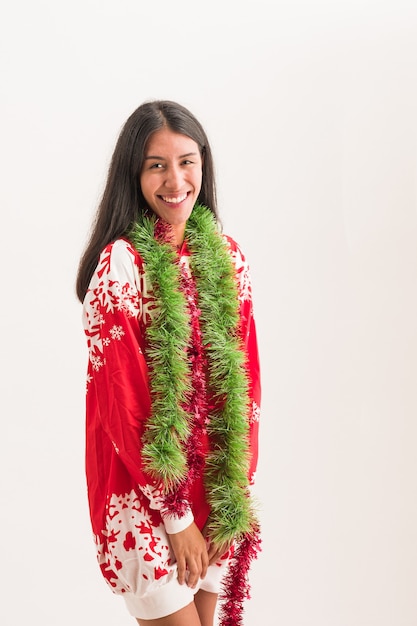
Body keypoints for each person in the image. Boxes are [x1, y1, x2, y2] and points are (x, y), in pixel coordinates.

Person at [76, 100, 261, 626]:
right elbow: (123, 403)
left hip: (215, 487)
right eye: (156, 164)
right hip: (147, 497)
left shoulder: (226, 256)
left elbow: (246, 383)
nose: (175, 179)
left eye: (187, 160)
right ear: (132, 175)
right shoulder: (121, 266)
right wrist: (175, 518)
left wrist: (235, 492)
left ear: (204, 164)